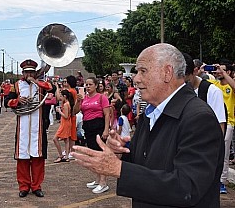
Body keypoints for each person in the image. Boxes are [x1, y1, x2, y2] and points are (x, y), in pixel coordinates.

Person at [72, 43, 224, 207]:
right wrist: (120, 153)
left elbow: (187, 187)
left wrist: (120, 169)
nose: (136, 79)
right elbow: (150, 164)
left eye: (142, 71)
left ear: (167, 73)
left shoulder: (199, 118)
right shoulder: (150, 114)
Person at [8, 59, 52, 198]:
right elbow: (7, 101)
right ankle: (23, 186)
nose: (29, 74)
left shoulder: (41, 85)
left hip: (38, 126)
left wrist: (36, 81)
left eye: (31, 72)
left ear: (35, 72)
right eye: (26, 72)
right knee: (22, 157)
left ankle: (36, 186)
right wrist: (17, 101)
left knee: (38, 157)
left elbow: (52, 89)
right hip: (22, 126)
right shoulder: (16, 85)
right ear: (22, 73)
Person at [73, 77, 111, 194]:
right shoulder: (83, 98)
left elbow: (107, 114)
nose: (88, 86)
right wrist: (78, 101)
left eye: (90, 84)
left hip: (98, 126)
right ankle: (98, 179)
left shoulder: (101, 97)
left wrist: (106, 130)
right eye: (86, 84)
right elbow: (75, 111)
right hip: (88, 127)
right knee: (93, 155)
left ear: (95, 86)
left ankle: (103, 182)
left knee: (100, 154)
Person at [207, 59, 235, 194]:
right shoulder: (214, 84)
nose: (217, 71)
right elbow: (199, 82)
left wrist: (224, 72)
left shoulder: (230, 86)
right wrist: (200, 69)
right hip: (213, 121)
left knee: (223, 152)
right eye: (217, 69)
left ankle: (221, 181)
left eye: (221, 69)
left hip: (228, 122)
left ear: (228, 71)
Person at [53, 90, 73, 163]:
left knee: (55, 139)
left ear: (65, 96)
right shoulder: (67, 103)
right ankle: (66, 156)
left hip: (65, 123)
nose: (60, 98)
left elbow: (66, 116)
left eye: (61, 96)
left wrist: (59, 111)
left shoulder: (66, 104)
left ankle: (61, 155)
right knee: (66, 140)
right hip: (66, 123)